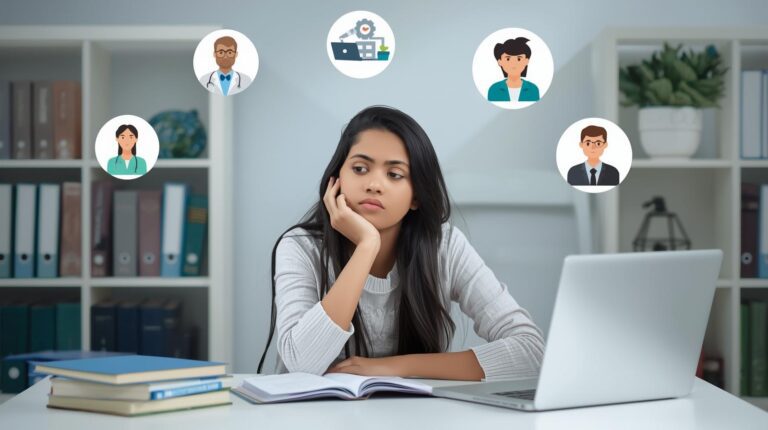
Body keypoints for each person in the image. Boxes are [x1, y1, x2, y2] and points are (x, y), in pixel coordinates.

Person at [257, 106, 544, 381]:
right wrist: (366, 246)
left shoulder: (445, 246)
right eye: (359, 168)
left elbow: (531, 352)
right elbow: (302, 364)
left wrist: (393, 367)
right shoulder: (300, 247)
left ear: (416, 196)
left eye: (394, 174)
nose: (374, 184)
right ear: (337, 179)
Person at [487, 37, 540, 102]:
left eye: (519, 59)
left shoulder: (533, 89)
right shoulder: (494, 89)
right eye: (508, 59)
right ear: (499, 62)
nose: (513, 63)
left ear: (526, 61)